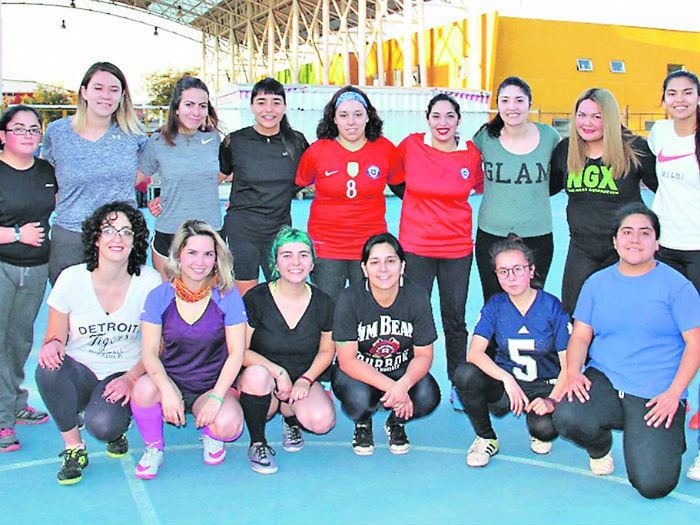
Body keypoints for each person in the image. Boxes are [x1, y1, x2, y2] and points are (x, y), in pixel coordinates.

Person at [553, 203, 700, 499]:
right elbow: (581, 335)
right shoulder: (596, 283)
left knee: (653, 486)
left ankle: (668, 435)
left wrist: (674, 394)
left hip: (656, 393)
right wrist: (572, 372)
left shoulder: (677, 287)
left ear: (656, 243)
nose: (635, 239)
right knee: (568, 415)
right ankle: (600, 447)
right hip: (607, 380)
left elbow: (695, 344)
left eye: (644, 233)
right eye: (627, 232)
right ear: (615, 241)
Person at [34, 202, 161, 484]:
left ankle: (117, 426)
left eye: (126, 232)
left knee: (103, 426)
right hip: (80, 372)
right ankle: (73, 447)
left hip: (122, 372)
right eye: (109, 230)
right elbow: (54, 335)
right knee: (48, 366)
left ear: (135, 240)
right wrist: (53, 344)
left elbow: (157, 347)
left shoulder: (150, 282)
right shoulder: (70, 279)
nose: (117, 238)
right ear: (96, 237)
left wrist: (130, 379)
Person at [130, 220, 247, 480]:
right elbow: (149, 352)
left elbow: (237, 352)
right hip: (172, 380)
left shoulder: (227, 295)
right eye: (192, 253)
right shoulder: (159, 296)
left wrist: (217, 397)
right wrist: (168, 389)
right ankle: (154, 448)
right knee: (142, 389)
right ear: (178, 256)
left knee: (229, 426)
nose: (200, 262)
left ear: (217, 259)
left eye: (208, 254)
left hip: (211, 385)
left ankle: (211, 433)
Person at [393, 93, 484, 403]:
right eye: (436, 116)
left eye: (449, 116)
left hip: (457, 248)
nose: (442, 123)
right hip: (416, 245)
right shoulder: (411, 145)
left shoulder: (471, 155)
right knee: (412, 315)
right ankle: (404, 381)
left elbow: (481, 185)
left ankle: (458, 384)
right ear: (427, 118)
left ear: (459, 120)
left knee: (454, 318)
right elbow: (394, 177)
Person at [453, 234, 570, 468]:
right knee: (465, 374)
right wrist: (506, 379)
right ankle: (486, 437)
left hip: (543, 384)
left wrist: (552, 401)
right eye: (503, 271)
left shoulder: (551, 306)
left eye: (517, 269)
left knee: (545, 430)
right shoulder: (495, 306)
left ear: (531, 270)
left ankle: (537, 423)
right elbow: (474, 353)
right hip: (508, 386)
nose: (511, 277)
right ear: (496, 275)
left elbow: (569, 365)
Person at [550, 88, 657, 314]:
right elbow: (545, 187)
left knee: (621, 314)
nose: (587, 123)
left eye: (597, 116)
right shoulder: (567, 150)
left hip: (623, 250)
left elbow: (667, 190)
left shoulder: (635, 148)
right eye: (582, 115)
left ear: (609, 119)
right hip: (582, 248)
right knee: (573, 313)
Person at [237, 226, 335, 474]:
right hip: (264, 382)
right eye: (287, 255)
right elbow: (241, 351)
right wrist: (277, 372)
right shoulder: (256, 298)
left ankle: (290, 415)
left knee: (322, 421)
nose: (296, 262)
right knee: (257, 376)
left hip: (302, 380)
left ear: (313, 263)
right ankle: (257, 442)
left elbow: (326, 351)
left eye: (303, 255)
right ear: (275, 262)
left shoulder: (324, 302)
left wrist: (306, 379)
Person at [332, 233, 440, 456]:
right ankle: (362, 423)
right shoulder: (349, 298)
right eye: (375, 262)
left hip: (400, 369)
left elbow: (424, 355)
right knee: (359, 400)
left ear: (402, 266)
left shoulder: (417, 296)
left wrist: (404, 384)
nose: (383, 269)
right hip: (359, 372)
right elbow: (347, 360)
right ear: (364, 268)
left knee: (429, 395)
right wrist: (394, 389)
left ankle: (396, 422)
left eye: (390, 261)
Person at [41, 61, 146, 285]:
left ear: (122, 95)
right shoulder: (58, 133)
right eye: (98, 88)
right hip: (71, 237)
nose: (105, 96)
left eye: (113, 89)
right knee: (69, 312)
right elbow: (44, 178)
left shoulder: (134, 134)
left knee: (121, 313)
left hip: (120, 238)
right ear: (84, 92)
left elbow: (161, 165)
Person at [295, 86, 402, 302]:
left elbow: (405, 189)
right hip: (327, 246)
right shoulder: (317, 151)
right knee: (328, 310)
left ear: (368, 117)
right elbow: (293, 186)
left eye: (358, 114)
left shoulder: (385, 149)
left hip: (370, 245)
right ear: (333, 118)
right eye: (343, 115)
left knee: (367, 308)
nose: (351, 122)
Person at [647, 69, 700, 481]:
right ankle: (666, 413)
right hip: (665, 251)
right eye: (672, 93)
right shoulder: (660, 134)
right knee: (668, 340)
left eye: (687, 92)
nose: (679, 99)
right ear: (663, 100)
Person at [0, 106, 57, 452]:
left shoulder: (46, 170)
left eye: (34, 129)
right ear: (3, 135)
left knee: (20, 341)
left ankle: (16, 401)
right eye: (18, 128)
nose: (27, 134)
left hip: (36, 269)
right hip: (3, 265)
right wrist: (16, 234)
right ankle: (3, 419)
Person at [473, 76, 560, 302]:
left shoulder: (550, 137)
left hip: (537, 235)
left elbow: (559, 178)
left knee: (532, 303)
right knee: (494, 303)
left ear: (530, 104)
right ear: (498, 105)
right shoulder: (485, 137)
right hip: (492, 234)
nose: (512, 107)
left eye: (519, 100)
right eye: (505, 100)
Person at [219, 78, 309, 296]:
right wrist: (166, 197)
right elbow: (215, 177)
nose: (269, 109)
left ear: (284, 106)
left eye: (276, 102)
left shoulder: (296, 142)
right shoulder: (235, 142)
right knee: (246, 302)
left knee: (282, 298)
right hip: (242, 231)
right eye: (261, 102)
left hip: (279, 232)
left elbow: (313, 178)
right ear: (251, 106)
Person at [140, 76, 224, 278]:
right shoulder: (158, 142)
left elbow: (220, 174)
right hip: (170, 233)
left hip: (209, 231)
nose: (196, 112)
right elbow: (134, 179)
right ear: (176, 107)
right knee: (170, 301)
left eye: (202, 106)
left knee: (207, 302)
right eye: (189, 104)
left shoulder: (214, 139)